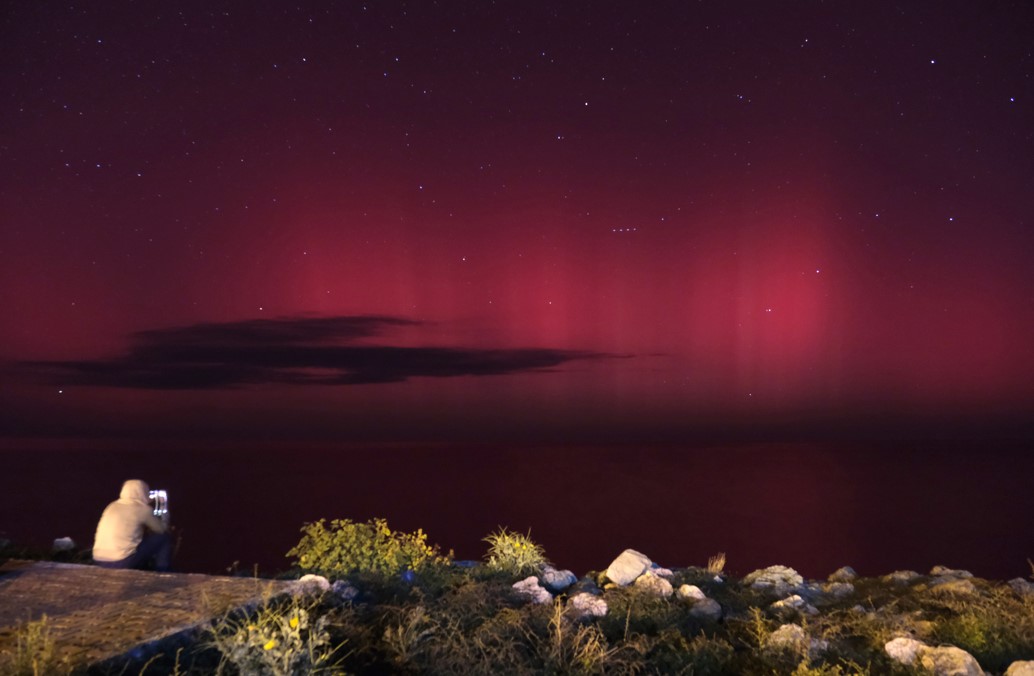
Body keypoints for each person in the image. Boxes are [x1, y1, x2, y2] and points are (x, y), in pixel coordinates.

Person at [92, 479, 172, 571]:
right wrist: (164, 512)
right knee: (163, 538)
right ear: (143, 492)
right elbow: (161, 529)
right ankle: (163, 571)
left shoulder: (112, 506)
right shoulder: (143, 509)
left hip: (99, 559)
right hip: (121, 561)